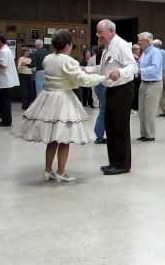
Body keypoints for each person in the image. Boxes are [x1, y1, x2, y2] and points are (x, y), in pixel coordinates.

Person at [13, 30, 107, 182]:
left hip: (48, 98)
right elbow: (84, 81)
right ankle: (61, 172)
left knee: (52, 138)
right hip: (63, 99)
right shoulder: (68, 61)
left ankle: (48, 170)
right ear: (68, 45)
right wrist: (103, 77)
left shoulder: (48, 58)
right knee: (64, 138)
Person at [85, 19, 138, 175]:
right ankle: (113, 162)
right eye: (97, 32)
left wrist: (119, 73)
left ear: (111, 31)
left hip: (122, 90)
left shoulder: (121, 45)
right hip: (112, 90)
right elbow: (102, 69)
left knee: (119, 127)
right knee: (111, 126)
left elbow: (133, 66)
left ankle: (122, 164)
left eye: (101, 33)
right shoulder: (107, 48)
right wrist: (85, 69)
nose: (98, 36)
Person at [137, 32, 164, 142]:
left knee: (149, 111)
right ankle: (143, 133)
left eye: (140, 40)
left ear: (148, 41)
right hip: (144, 83)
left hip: (154, 83)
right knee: (141, 110)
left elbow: (155, 68)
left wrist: (140, 70)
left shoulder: (155, 53)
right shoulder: (143, 53)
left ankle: (150, 135)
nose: (139, 43)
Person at [90, 45, 107, 144]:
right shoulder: (106, 59)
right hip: (103, 84)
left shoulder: (94, 58)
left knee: (102, 111)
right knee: (103, 111)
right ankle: (100, 136)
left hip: (97, 84)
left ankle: (99, 135)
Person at [153, 39, 165, 117]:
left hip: (160, 73)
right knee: (163, 92)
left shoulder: (156, 53)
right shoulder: (164, 52)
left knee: (159, 93)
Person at [131, 43, 142, 114]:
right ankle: (133, 107)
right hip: (135, 77)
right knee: (135, 92)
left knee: (138, 92)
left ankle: (137, 106)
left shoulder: (138, 57)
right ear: (134, 50)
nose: (139, 51)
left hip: (139, 76)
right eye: (138, 49)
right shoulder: (132, 57)